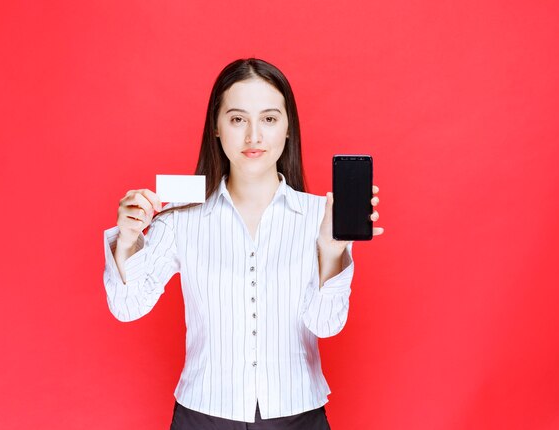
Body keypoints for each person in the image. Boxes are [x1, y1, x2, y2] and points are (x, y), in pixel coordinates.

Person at [103, 58, 384, 429]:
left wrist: (331, 250)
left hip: (298, 416)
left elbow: (327, 325)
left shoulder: (322, 218)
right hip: (202, 415)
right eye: (237, 119)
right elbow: (127, 307)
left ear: (288, 129)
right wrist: (128, 237)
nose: (254, 136)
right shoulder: (181, 217)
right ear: (217, 128)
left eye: (269, 119)